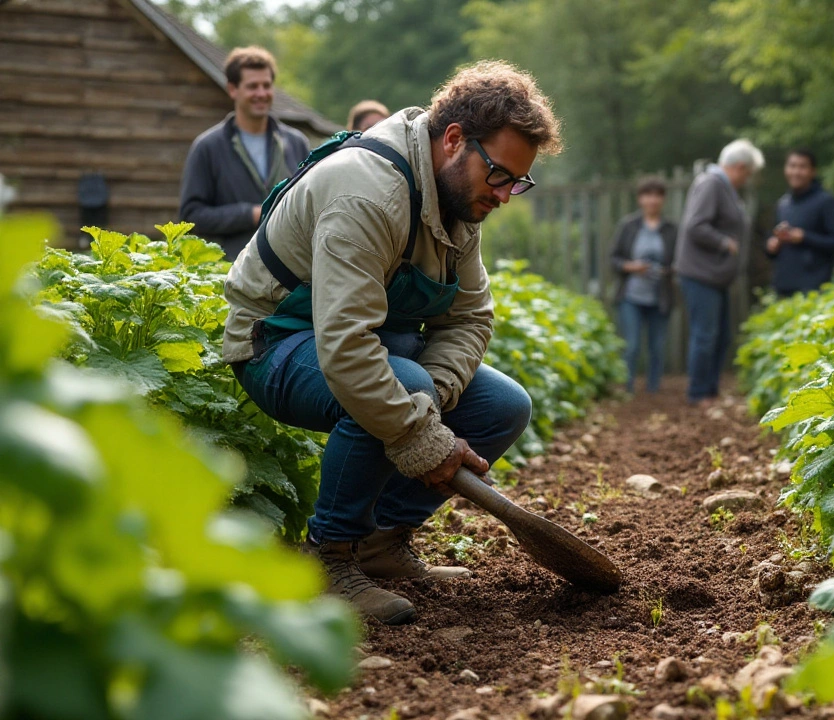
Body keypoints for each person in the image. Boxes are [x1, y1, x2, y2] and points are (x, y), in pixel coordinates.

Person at [222, 61, 562, 625]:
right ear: (454, 140)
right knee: (403, 385)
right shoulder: (368, 194)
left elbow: (472, 317)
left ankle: (380, 543)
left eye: (517, 182)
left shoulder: (459, 203)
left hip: (368, 345)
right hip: (276, 343)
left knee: (505, 404)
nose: (505, 196)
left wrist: (436, 402)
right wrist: (414, 427)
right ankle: (328, 559)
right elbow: (348, 349)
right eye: (500, 175)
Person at [180, 47, 310, 261]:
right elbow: (191, 216)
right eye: (252, 86)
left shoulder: (296, 143)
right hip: (230, 272)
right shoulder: (207, 147)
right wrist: (249, 214)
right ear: (233, 89)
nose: (261, 93)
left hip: (291, 273)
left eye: (266, 86)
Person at [674, 139, 763, 405]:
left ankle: (710, 391)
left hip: (716, 277)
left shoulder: (723, 187)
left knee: (721, 336)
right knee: (705, 335)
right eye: (747, 174)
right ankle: (698, 393)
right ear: (738, 167)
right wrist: (725, 242)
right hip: (701, 275)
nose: (747, 180)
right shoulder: (711, 184)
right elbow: (695, 226)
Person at [610, 176, 677, 394]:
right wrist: (632, 267)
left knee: (657, 348)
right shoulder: (628, 226)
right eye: (648, 195)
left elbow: (680, 261)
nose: (653, 200)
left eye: (657, 195)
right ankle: (628, 388)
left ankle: (653, 391)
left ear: (663, 199)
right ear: (640, 199)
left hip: (660, 297)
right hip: (631, 296)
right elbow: (613, 259)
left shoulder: (671, 230)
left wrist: (669, 270)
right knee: (632, 346)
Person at [764, 149, 834, 295]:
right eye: (792, 166)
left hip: (814, 288)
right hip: (783, 287)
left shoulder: (826, 201)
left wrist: (804, 237)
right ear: (785, 169)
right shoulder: (783, 204)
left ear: (813, 171)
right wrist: (772, 245)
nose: (796, 171)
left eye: (802, 167)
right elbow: (770, 244)